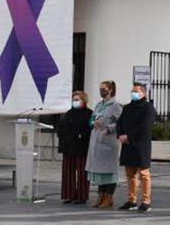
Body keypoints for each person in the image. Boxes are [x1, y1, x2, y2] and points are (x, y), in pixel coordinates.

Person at [116, 82, 157, 212]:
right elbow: (120, 122)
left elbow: (145, 126)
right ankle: (131, 200)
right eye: (132, 91)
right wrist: (121, 134)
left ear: (143, 93)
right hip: (127, 144)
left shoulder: (148, 108)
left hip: (140, 144)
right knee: (130, 174)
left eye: (136, 91)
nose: (133, 93)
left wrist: (129, 136)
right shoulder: (127, 107)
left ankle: (146, 201)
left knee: (144, 174)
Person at [86, 80, 123, 209]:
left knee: (109, 171)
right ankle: (100, 195)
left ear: (110, 90)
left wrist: (109, 128)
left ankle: (109, 196)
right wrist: (92, 123)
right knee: (99, 171)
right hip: (96, 140)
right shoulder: (98, 105)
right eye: (100, 88)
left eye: (103, 89)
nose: (101, 91)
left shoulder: (116, 105)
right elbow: (92, 119)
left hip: (109, 142)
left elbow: (122, 122)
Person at [57, 91, 93, 204]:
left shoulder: (89, 113)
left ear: (84, 101)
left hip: (82, 147)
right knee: (68, 172)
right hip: (68, 146)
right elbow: (62, 127)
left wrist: (81, 135)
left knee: (82, 173)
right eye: (74, 99)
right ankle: (69, 194)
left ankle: (81, 196)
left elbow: (89, 129)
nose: (75, 102)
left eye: (77, 99)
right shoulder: (68, 113)